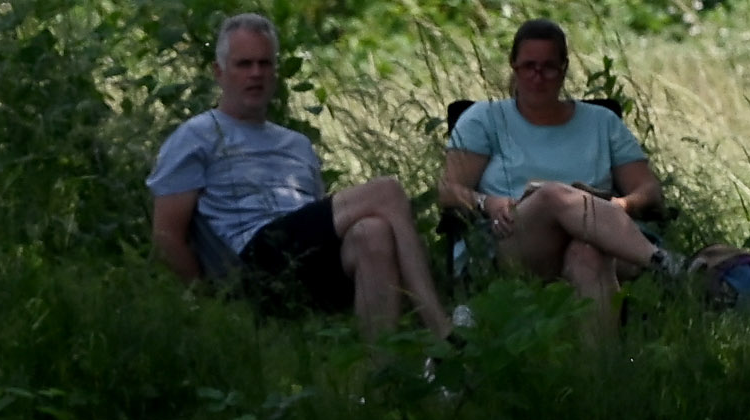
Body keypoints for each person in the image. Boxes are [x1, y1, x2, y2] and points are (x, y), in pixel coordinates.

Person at [149, 13, 452, 339]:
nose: (256, 74)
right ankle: (440, 329)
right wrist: (209, 302)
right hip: (252, 260)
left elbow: (315, 219)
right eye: (244, 64)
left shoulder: (297, 144)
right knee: (387, 191)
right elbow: (167, 236)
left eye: (265, 64)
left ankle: (379, 377)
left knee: (372, 232)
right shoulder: (196, 135)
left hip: (304, 262)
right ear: (219, 73)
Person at [437, 19, 680, 336]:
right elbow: (448, 190)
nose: (538, 77)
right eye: (528, 67)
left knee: (587, 254)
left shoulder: (601, 122)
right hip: (517, 240)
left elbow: (648, 189)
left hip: (603, 240)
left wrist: (620, 205)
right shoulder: (485, 118)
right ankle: (667, 266)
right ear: (514, 67)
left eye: (549, 68)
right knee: (551, 195)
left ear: (564, 69)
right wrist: (488, 201)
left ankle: (599, 373)